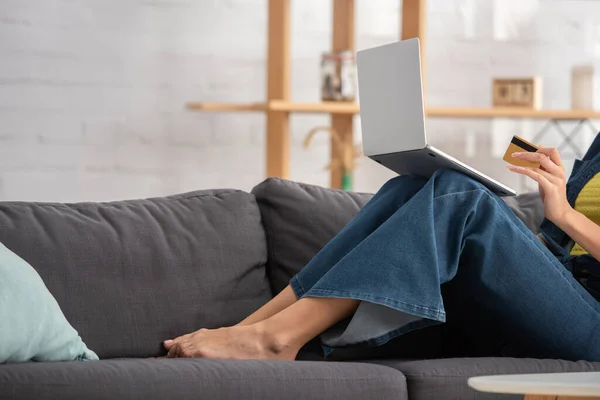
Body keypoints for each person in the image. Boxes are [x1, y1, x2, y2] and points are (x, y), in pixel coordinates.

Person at [163, 137, 600, 362]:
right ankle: (249, 328)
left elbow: (564, 221)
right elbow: (556, 239)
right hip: (563, 290)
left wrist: (565, 215)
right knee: (412, 187)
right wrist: (534, 239)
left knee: (461, 198)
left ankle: (276, 340)